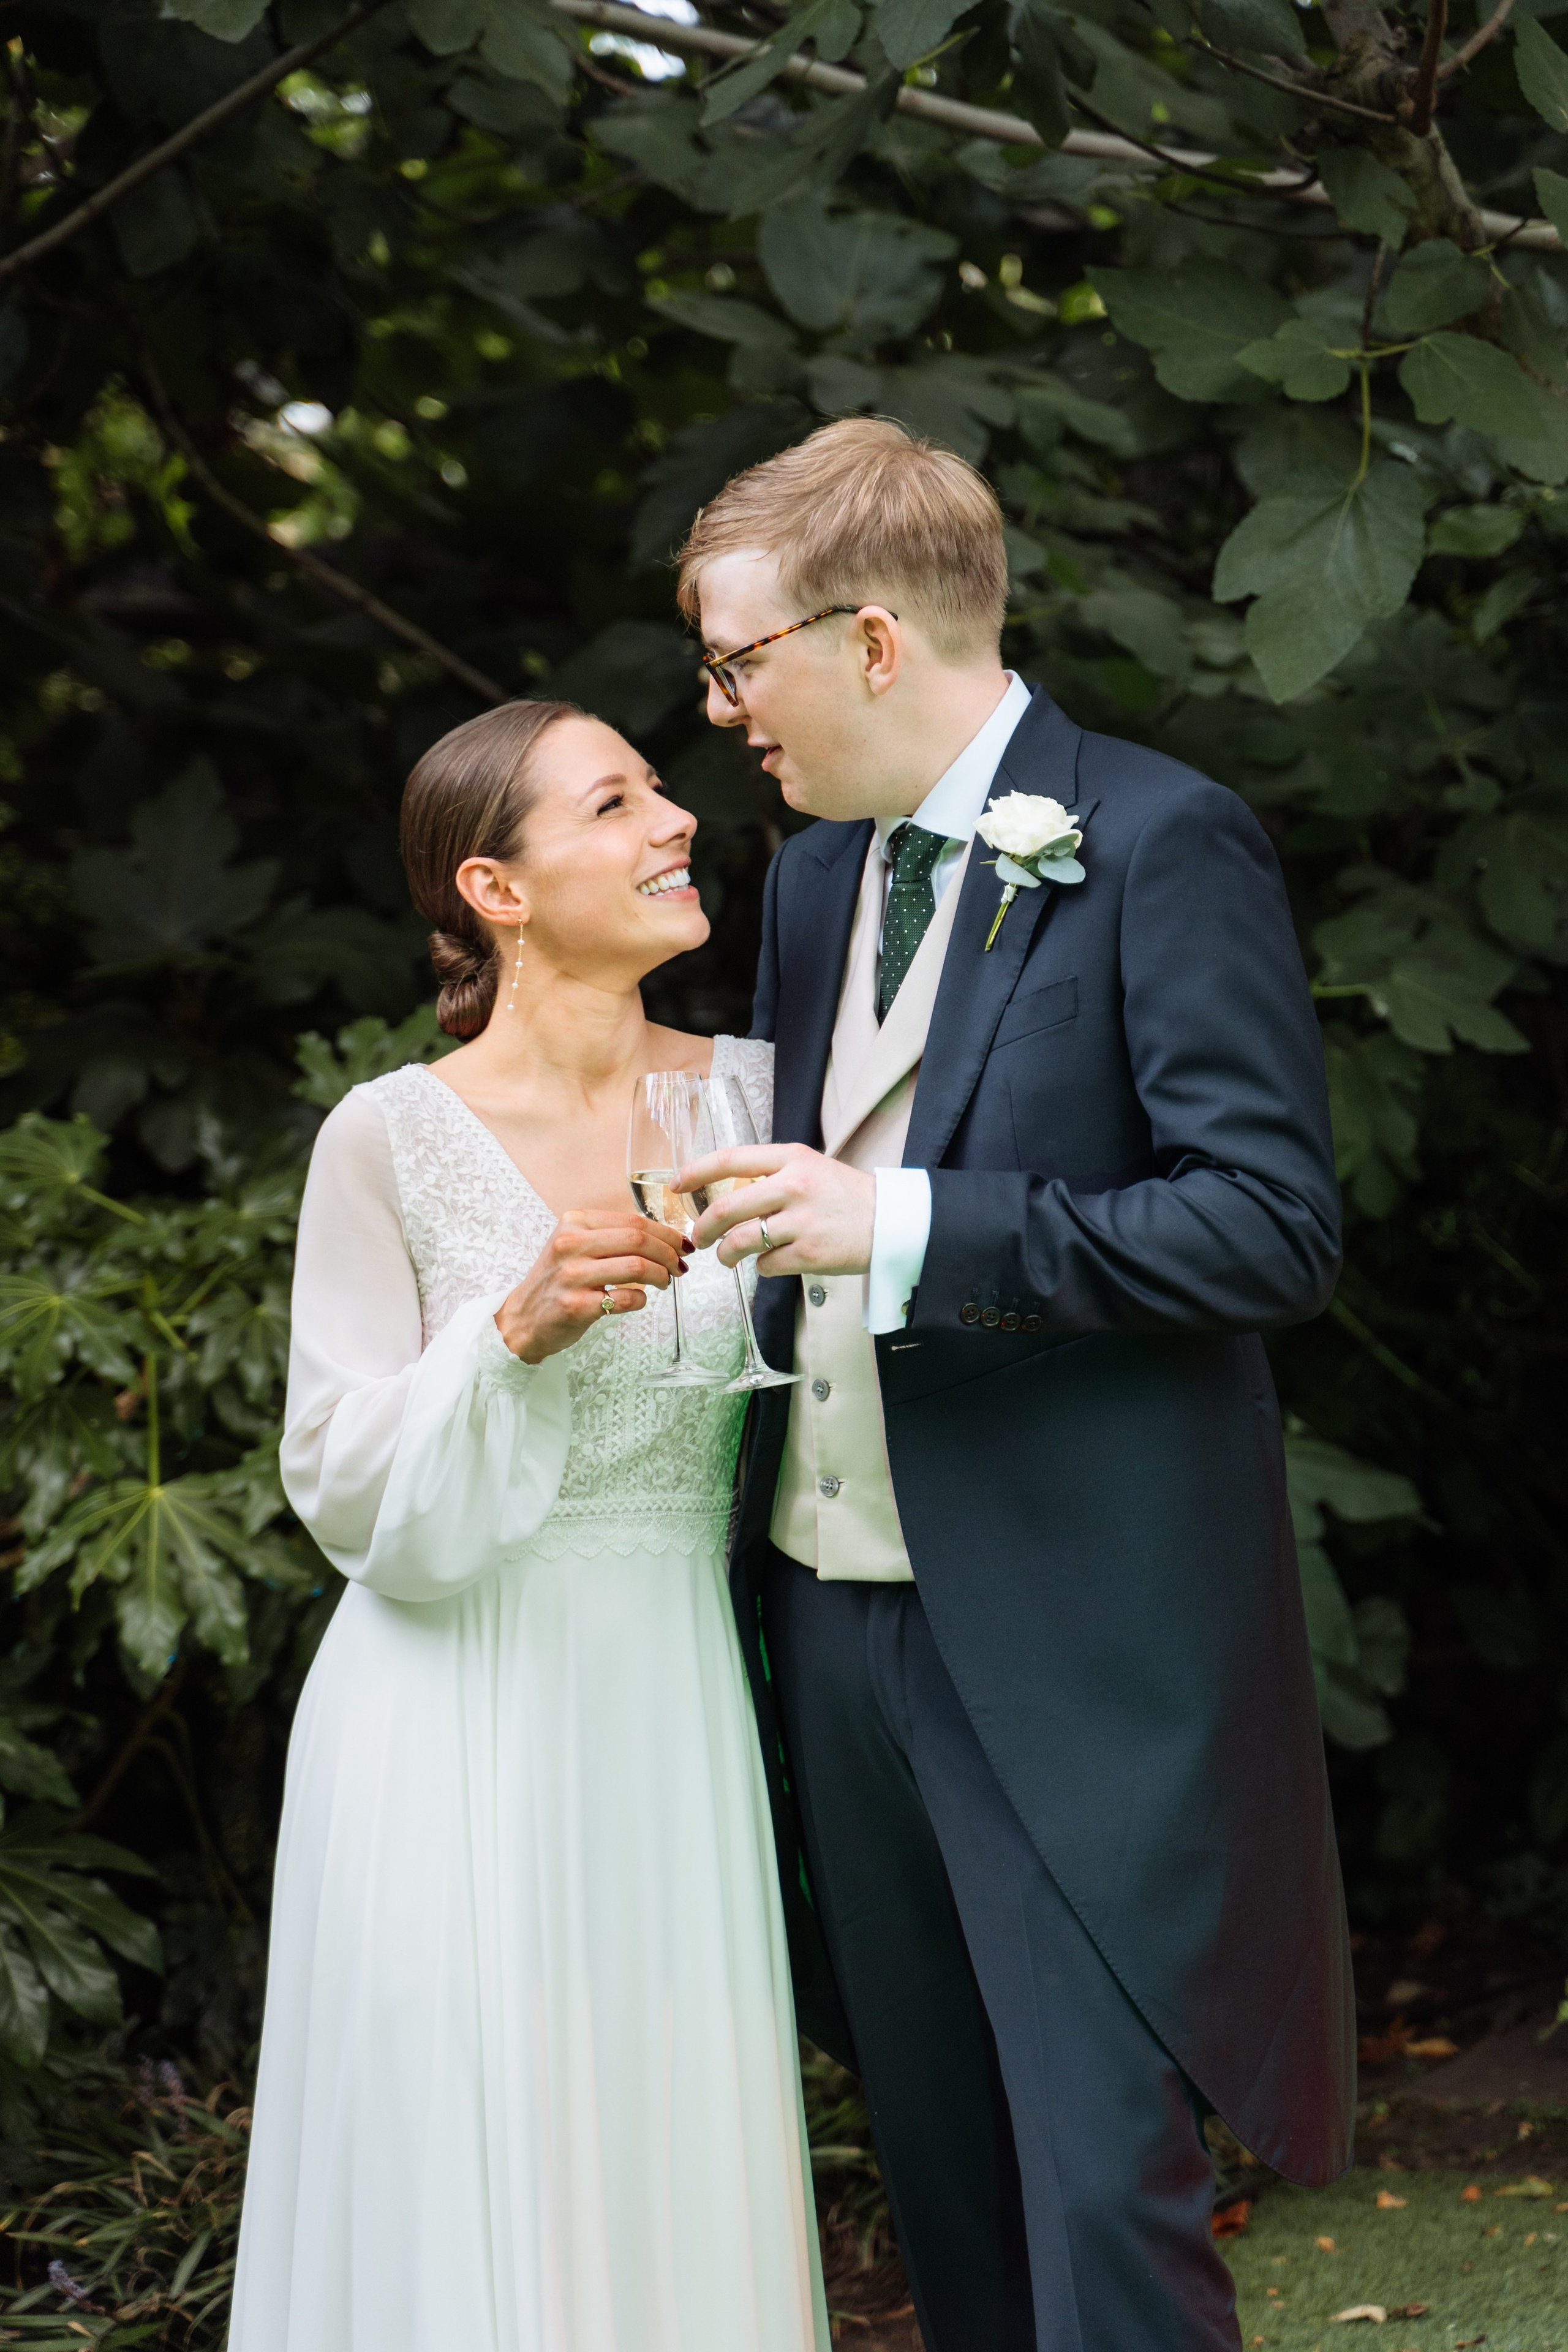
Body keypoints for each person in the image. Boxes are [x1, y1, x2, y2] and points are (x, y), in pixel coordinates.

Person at [675, 418, 1354, 2352]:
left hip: (1066, 1636)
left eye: (737, 662)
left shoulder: (1155, 840)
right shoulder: (816, 884)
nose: (721, 710)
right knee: (944, 2174)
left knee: (1097, 2184)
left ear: (872, 641)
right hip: (830, 1614)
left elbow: (1266, 1229)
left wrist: (902, 1223)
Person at [228, 699, 828, 2352]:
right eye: (614, 803)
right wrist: (511, 1330)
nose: (676, 819)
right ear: (495, 889)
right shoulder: (387, 1138)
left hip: (675, 1704)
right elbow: (339, 1480)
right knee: (468, 2166)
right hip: (448, 1715)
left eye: (663, 789)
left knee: (666, 2138)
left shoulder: (760, 1099)